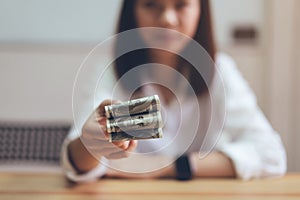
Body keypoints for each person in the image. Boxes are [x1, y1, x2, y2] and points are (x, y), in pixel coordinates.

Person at [61, 0, 286, 182]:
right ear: (132, 11)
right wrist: (90, 144)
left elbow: (271, 155)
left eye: (181, 4)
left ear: (201, 9)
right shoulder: (109, 69)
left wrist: (168, 166)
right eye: (151, 4)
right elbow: (77, 164)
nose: (167, 19)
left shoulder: (220, 71)